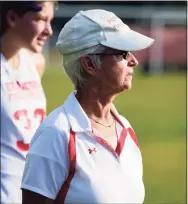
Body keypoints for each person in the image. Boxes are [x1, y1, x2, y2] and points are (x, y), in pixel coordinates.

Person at [21, 9, 154, 204]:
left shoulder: (125, 129)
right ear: (90, 64)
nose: (133, 61)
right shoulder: (56, 134)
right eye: (123, 53)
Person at [0, 1, 55, 203]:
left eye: (51, 21)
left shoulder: (35, 63)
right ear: (12, 18)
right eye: (41, 20)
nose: (49, 30)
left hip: (33, 190)